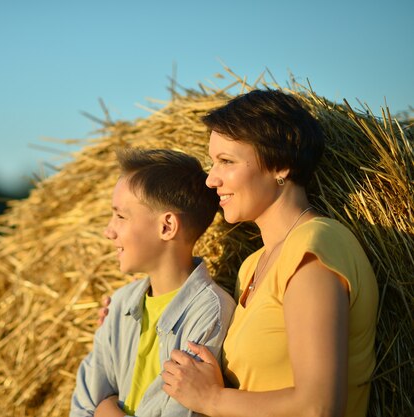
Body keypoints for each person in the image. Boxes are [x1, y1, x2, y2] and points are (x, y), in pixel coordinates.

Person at [99, 89, 378, 417]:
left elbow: (318, 407)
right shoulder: (251, 266)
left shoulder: (315, 248)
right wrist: (130, 318)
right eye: (212, 162)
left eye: (226, 162)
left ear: (281, 165)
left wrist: (211, 399)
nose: (211, 179)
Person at [70, 148, 236, 417]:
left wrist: (105, 410)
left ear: (167, 226)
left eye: (121, 216)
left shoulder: (209, 313)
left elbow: (181, 411)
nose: (108, 230)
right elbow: (83, 405)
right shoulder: (120, 304)